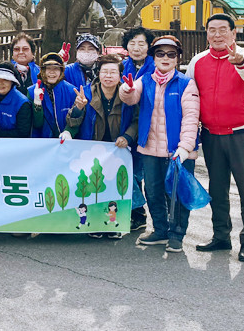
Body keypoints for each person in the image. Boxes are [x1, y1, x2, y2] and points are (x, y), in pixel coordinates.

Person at [188, 13, 244, 262]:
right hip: (211, 135)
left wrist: (240, 61)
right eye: (212, 30)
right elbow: (189, 93)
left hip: (242, 134)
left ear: (234, 33)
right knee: (217, 189)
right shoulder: (198, 61)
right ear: (207, 34)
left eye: (223, 30)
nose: (217, 35)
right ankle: (221, 236)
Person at [120, 36, 200, 253]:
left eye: (171, 54)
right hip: (150, 148)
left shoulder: (186, 83)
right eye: (160, 53)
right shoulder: (145, 79)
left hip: (178, 151)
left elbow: (191, 118)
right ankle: (160, 230)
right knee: (153, 191)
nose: (165, 58)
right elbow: (130, 97)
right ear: (153, 57)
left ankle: (177, 234)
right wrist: (127, 89)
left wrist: (185, 147)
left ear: (177, 58)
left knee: (178, 193)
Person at [66, 54, 139, 239]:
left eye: (113, 72)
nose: (108, 76)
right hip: (92, 150)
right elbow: (73, 122)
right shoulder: (86, 93)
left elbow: (137, 120)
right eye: (104, 71)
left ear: (120, 75)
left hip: (118, 149)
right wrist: (78, 108)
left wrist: (127, 137)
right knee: (94, 188)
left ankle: (114, 225)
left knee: (115, 187)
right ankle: (95, 224)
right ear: (98, 74)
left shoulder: (128, 95)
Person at [119, 25, 154, 232]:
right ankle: (137, 213)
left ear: (149, 46)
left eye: (142, 43)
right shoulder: (123, 66)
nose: (137, 48)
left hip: (150, 125)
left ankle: (148, 214)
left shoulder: (155, 67)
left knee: (144, 172)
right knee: (129, 171)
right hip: (127, 123)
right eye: (132, 43)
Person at [29, 53, 78, 138]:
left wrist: (69, 132)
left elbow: (77, 119)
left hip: (65, 141)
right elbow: (37, 124)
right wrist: (37, 104)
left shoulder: (72, 91)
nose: (52, 72)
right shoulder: (31, 91)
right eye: (48, 68)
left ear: (61, 71)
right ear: (43, 70)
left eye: (56, 68)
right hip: (41, 141)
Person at [0, 62, 32, 138]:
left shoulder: (22, 103)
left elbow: (23, 132)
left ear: (12, 82)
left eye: (5, 79)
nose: (0, 83)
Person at [10, 32, 40, 97]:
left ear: (33, 53)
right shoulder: (6, 71)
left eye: (25, 49)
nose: (21, 52)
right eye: (17, 49)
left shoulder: (40, 72)